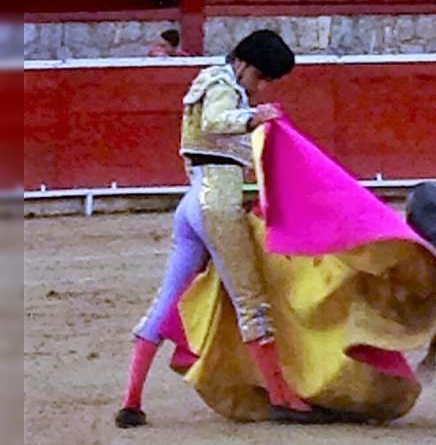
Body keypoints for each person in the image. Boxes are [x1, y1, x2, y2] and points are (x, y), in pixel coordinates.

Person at [116, 29, 309, 429]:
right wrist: (254, 117)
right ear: (247, 65)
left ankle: (131, 401)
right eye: (262, 78)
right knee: (251, 298)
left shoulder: (212, 79)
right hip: (215, 204)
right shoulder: (223, 83)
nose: (260, 88)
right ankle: (281, 396)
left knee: (166, 299)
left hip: (192, 202)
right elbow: (216, 120)